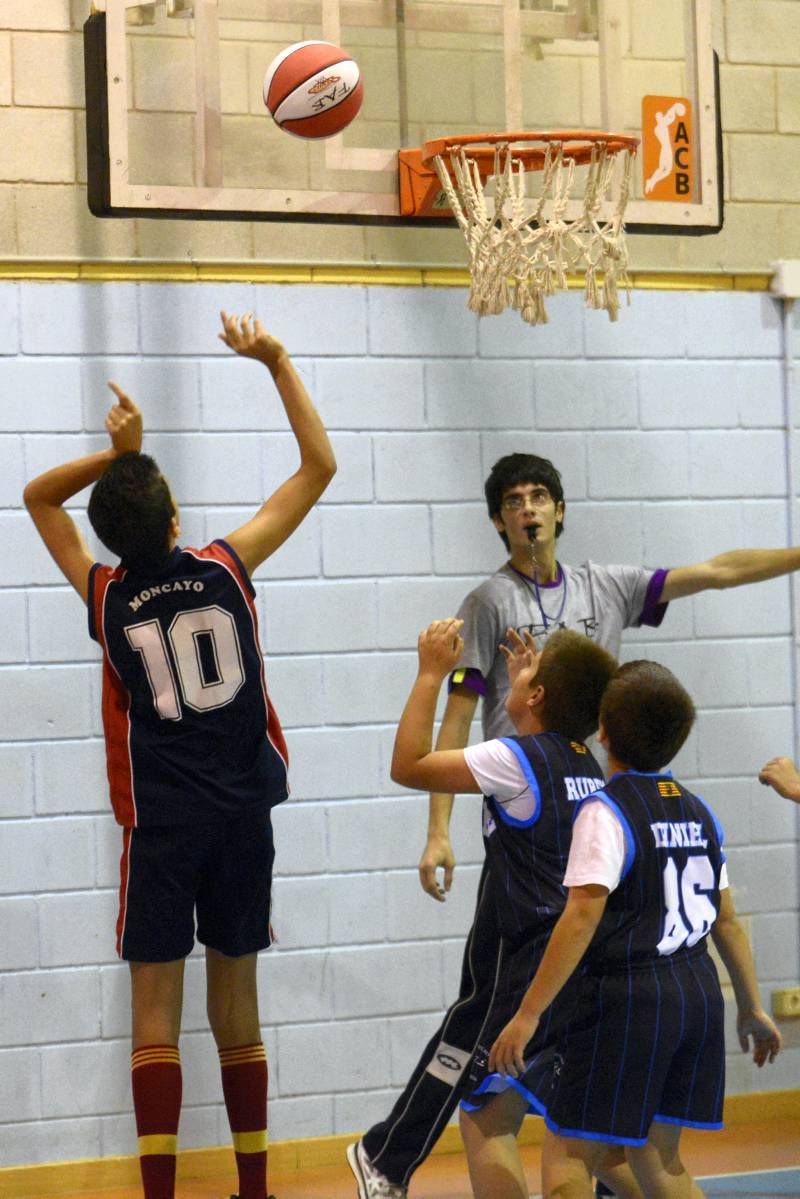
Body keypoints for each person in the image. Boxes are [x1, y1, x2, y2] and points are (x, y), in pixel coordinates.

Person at [355, 450, 800, 1197]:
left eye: (539, 495)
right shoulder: (487, 603)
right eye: (514, 500)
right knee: (507, 1012)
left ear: (559, 509)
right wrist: (438, 829)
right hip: (525, 803)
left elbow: (718, 570)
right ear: (499, 518)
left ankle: (401, 1153)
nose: (528, 508)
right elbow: (459, 716)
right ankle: (397, 1154)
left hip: (595, 803)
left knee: (550, 1010)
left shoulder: (608, 587)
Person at [23, 312, 336, 1199]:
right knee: (237, 1003)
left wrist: (116, 451)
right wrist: (276, 360)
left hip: (161, 825)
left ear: (117, 532)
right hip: (243, 814)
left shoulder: (107, 596)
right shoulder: (226, 567)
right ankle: (254, 1187)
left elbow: (37, 497)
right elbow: (319, 468)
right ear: (175, 516)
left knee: (154, 1015)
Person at [348, 620, 641, 1199]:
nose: (521, 667)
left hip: (521, 955)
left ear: (537, 697)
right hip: (578, 962)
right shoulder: (588, 764)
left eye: (532, 671)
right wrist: (531, 685)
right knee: (555, 1126)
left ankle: (383, 1159)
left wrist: (431, 673)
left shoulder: (516, 759)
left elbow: (408, 765)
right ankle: (385, 1156)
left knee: (474, 1078)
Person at [488, 659, 782, 1199]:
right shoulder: (700, 811)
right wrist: (750, 1004)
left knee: (570, 1156)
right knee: (661, 1159)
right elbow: (728, 921)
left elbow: (580, 917)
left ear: (602, 731)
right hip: (697, 993)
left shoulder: (605, 811)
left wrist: (527, 1015)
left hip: (630, 997)